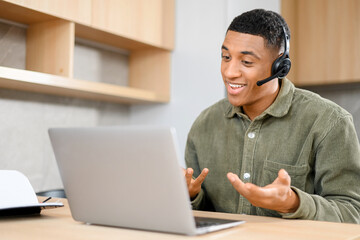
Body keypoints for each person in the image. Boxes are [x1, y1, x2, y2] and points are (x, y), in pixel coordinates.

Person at [183, 9, 360, 223]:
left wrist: (294, 203)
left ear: (280, 67)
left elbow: (352, 214)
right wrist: (191, 196)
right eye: (226, 57)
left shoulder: (329, 122)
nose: (230, 72)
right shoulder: (205, 124)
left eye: (246, 62)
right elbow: (204, 214)